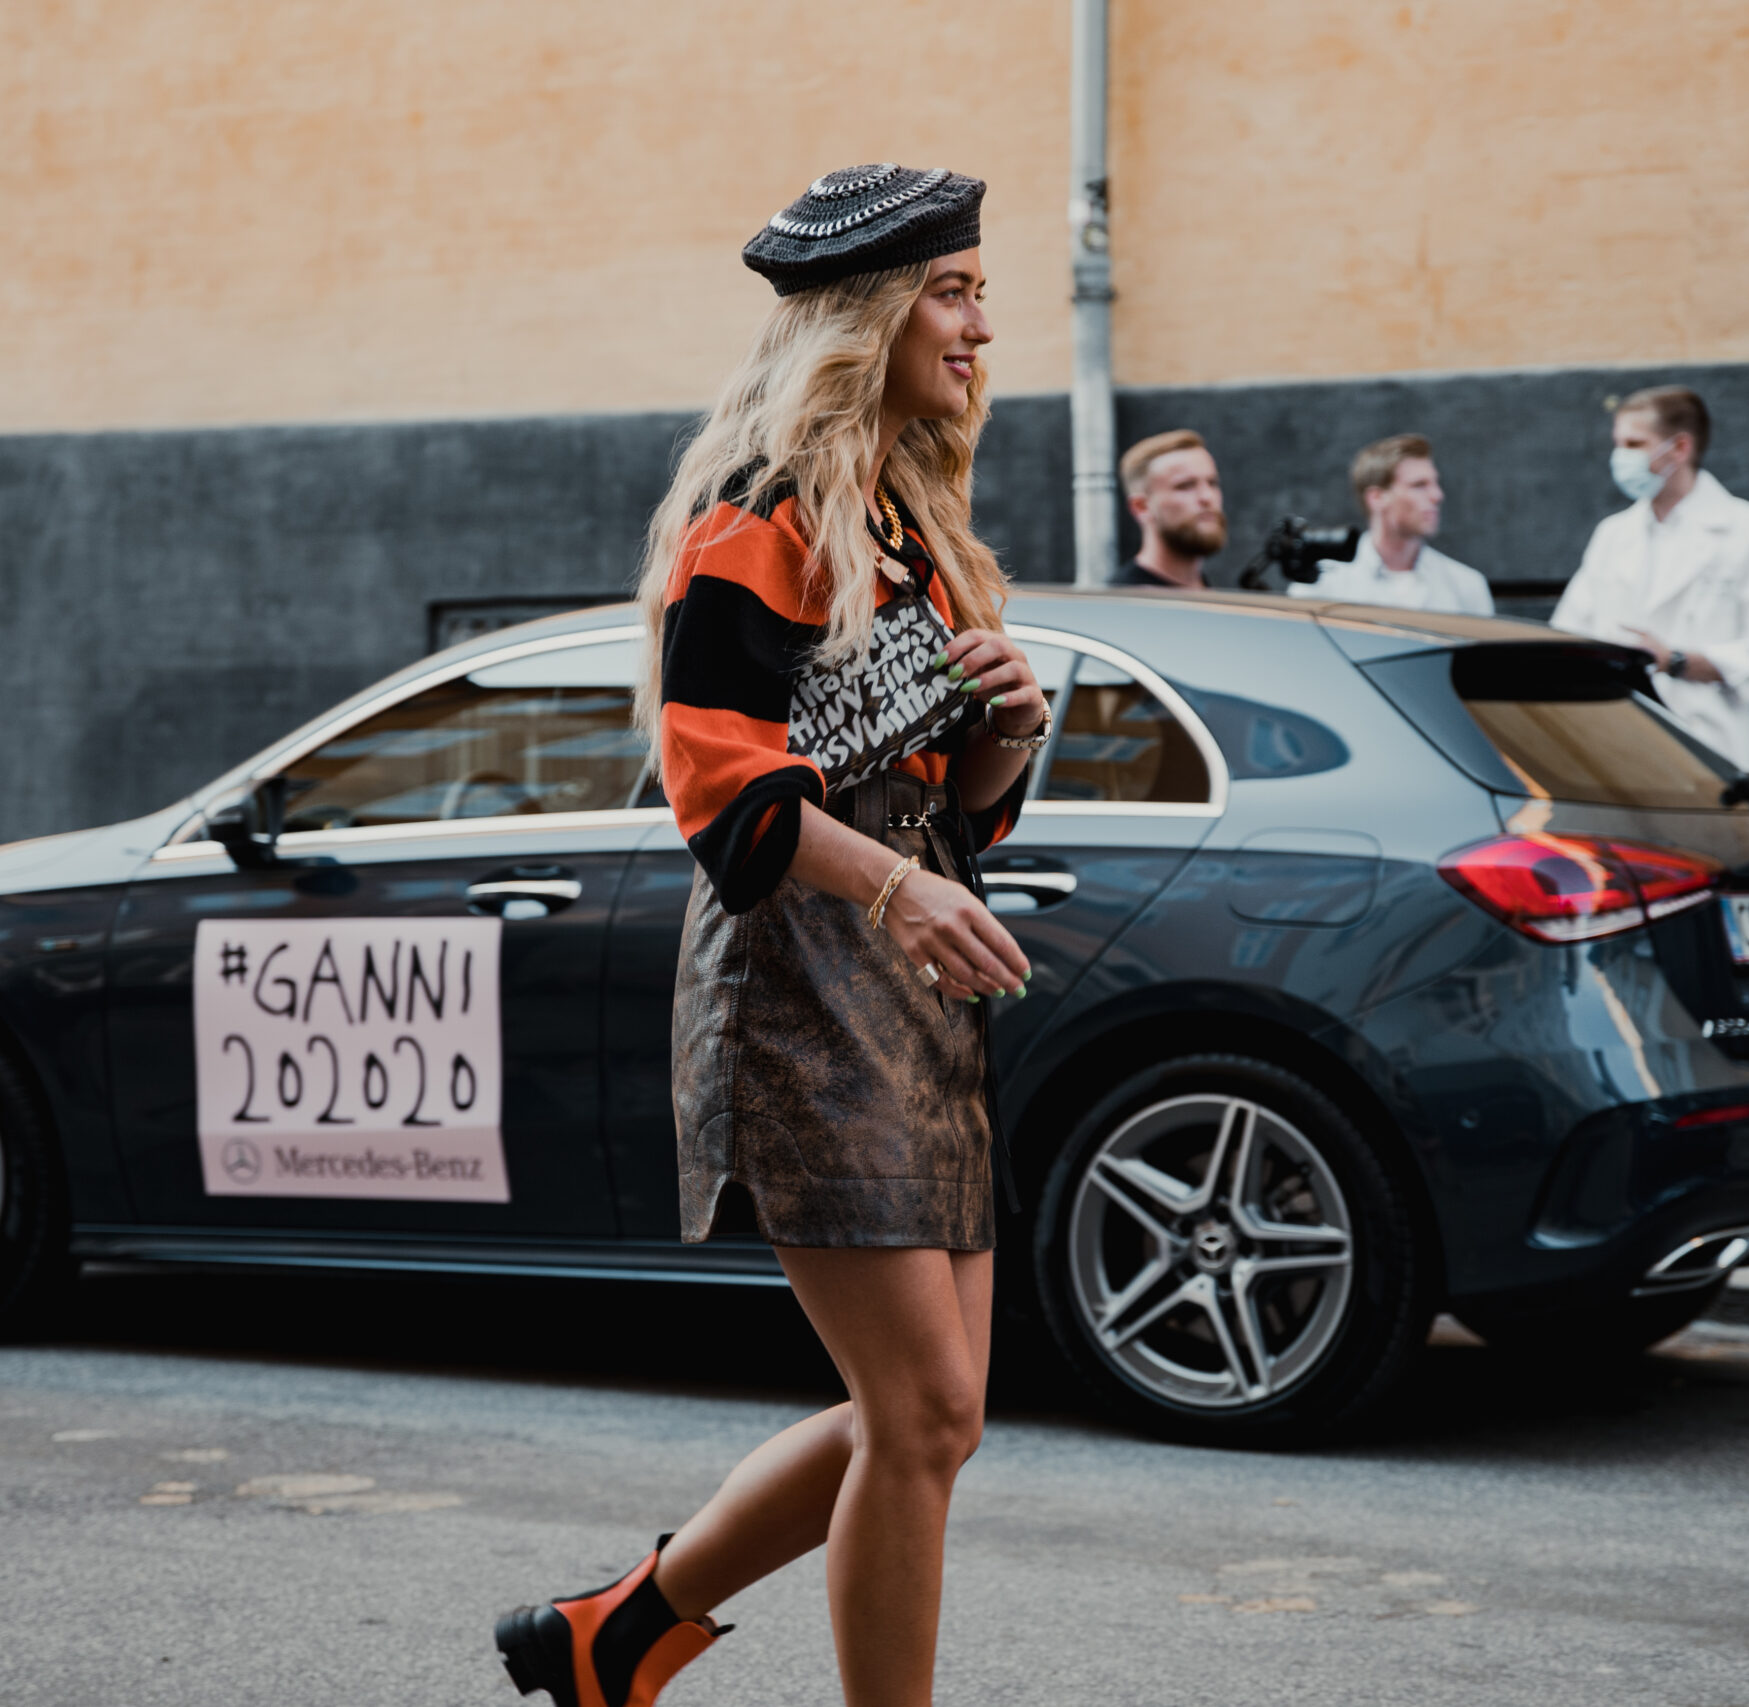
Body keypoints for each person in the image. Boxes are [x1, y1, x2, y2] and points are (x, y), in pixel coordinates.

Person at [492, 164, 1048, 1707]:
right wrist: (897, 887)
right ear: (865, 318)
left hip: (913, 980)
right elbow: (719, 788)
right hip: (799, 979)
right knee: (919, 1408)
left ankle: (615, 1633)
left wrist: (1007, 726)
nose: (980, 326)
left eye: (980, 291)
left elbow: (954, 804)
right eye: (950, 293)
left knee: (935, 1416)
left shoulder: (911, 522)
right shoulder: (763, 511)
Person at [1549, 386, 1749, 774]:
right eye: (1618, 444)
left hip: (1710, 746)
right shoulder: (1612, 535)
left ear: (1680, 447)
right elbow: (1568, 634)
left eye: (1635, 444)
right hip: (1615, 748)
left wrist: (1677, 661)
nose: (1621, 457)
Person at [1292, 432, 1493, 614]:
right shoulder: (1322, 583)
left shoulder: (1466, 586)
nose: (1437, 495)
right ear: (1377, 497)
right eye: (1419, 485)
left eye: (1435, 483)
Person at [1115, 428, 1226, 586]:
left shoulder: (1216, 594)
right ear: (1141, 507)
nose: (1207, 497)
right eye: (1185, 486)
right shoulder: (1124, 599)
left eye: (1212, 483)